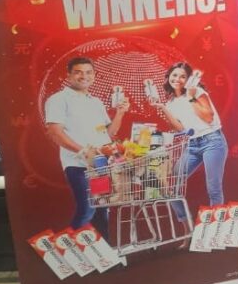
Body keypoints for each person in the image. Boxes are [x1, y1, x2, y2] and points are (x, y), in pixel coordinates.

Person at [44, 56, 129, 238]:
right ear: (68, 75)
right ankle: (68, 249)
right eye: (78, 72)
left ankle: (104, 251)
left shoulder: (95, 102)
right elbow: (55, 132)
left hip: (101, 165)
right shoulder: (59, 99)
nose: (84, 76)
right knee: (87, 208)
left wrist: (120, 113)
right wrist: (83, 151)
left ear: (94, 75)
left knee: (101, 209)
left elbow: (109, 133)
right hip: (78, 165)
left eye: (89, 72)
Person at [150, 61, 228, 221]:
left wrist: (191, 97)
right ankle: (186, 223)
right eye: (174, 75)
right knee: (172, 183)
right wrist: (163, 108)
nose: (177, 79)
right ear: (169, 77)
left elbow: (208, 117)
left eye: (183, 76)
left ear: (188, 79)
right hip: (192, 145)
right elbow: (180, 128)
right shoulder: (171, 103)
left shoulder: (197, 92)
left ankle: (215, 226)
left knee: (213, 188)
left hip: (212, 141)